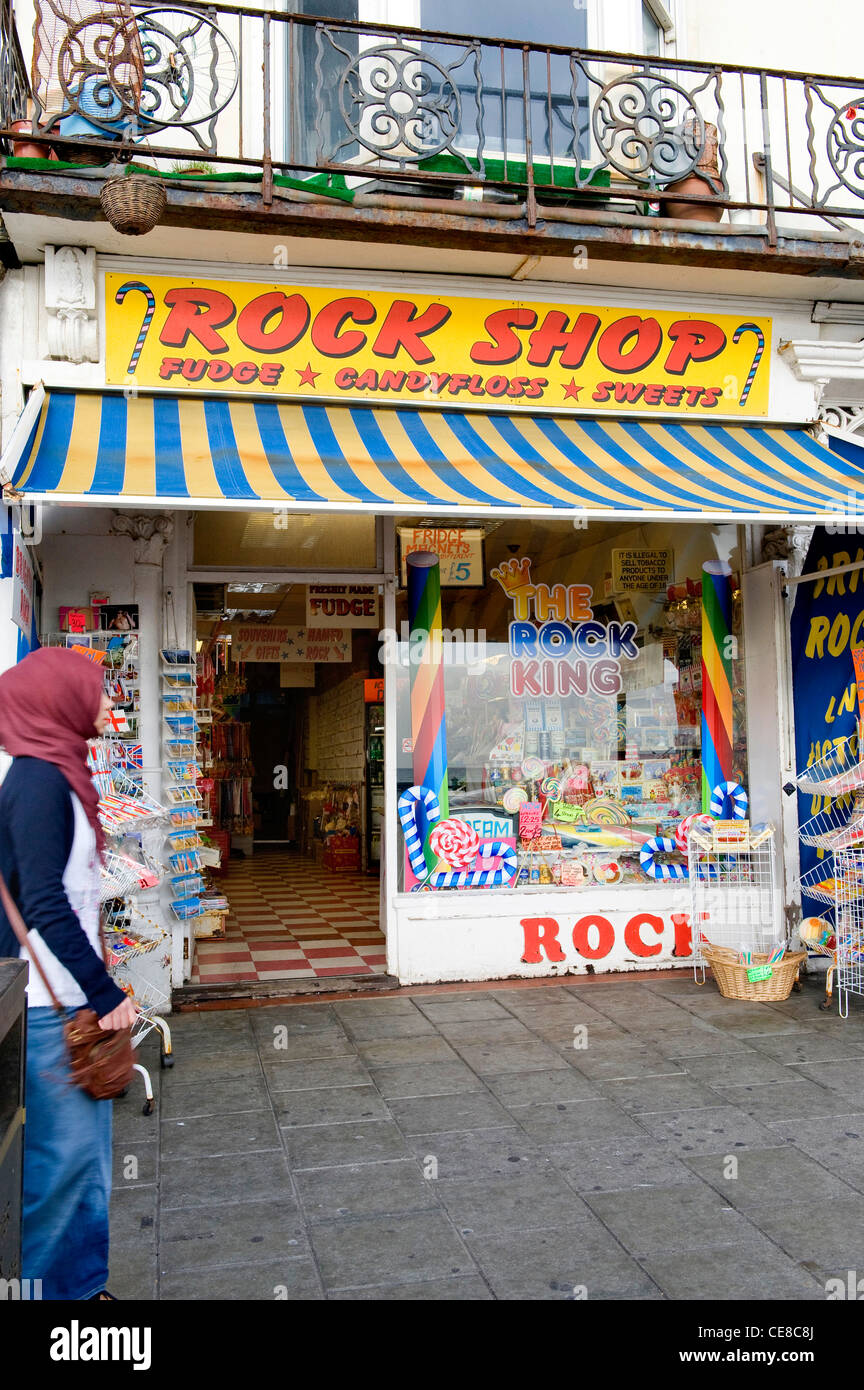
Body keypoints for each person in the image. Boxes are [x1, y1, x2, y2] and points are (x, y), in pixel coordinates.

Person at [0, 647, 137, 1301]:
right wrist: (106, 992)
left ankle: (83, 1288)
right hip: (50, 999)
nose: (109, 705)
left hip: (71, 993)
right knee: (57, 1169)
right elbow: (46, 903)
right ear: (61, 702)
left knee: (86, 1164)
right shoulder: (37, 781)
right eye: (96, 693)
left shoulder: (63, 771)